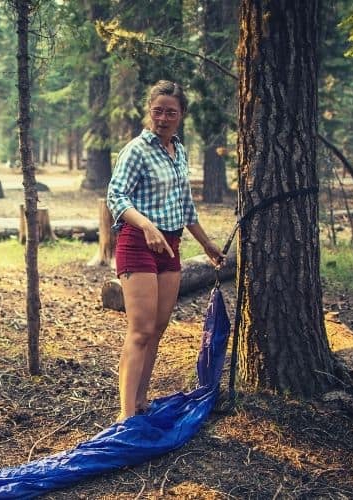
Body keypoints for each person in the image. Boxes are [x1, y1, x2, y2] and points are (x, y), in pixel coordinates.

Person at [106, 80, 225, 421]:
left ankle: (142, 401)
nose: (163, 118)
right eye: (157, 111)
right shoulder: (136, 150)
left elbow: (185, 205)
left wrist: (206, 243)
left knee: (158, 327)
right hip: (137, 243)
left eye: (170, 112)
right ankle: (126, 418)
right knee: (140, 330)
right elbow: (116, 197)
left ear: (181, 115)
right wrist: (146, 225)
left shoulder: (179, 151)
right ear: (149, 112)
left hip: (171, 246)